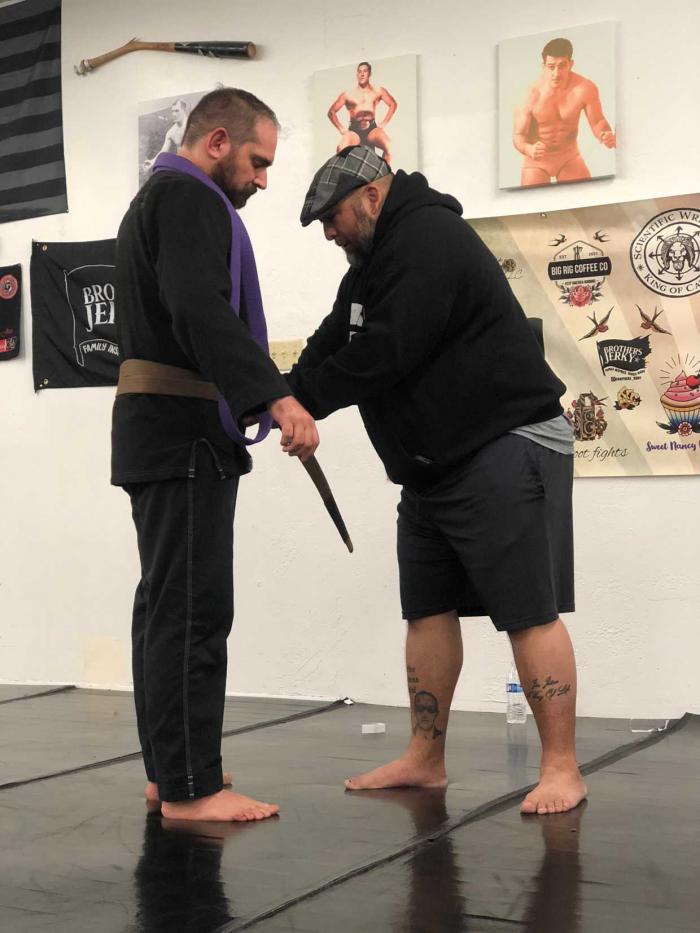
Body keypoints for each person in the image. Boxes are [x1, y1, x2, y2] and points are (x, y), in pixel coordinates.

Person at [287, 145, 586, 815]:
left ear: (371, 196)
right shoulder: (368, 267)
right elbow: (333, 340)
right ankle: (425, 759)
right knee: (425, 610)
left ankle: (562, 768)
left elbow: (387, 351)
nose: (328, 233)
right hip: (433, 469)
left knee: (527, 611)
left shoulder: (427, 238)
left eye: (332, 218)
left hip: (504, 445)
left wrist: (309, 402)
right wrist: (282, 397)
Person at [111, 88, 319, 823]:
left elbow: (188, 307)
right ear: (219, 141)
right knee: (193, 609)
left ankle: (170, 770)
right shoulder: (189, 199)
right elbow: (199, 308)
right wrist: (276, 398)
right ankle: (191, 787)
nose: (262, 179)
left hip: (160, 429)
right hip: (183, 431)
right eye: (259, 162)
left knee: (166, 604)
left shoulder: (155, 199)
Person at [513, 37, 616, 186]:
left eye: (562, 66)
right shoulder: (530, 94)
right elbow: (518, 135)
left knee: (585, 196)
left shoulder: (585, 88)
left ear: (571, 64)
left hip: (568, 158)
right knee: (532, 199)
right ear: (543, 66)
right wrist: (528, 149)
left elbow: (598, 122)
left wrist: (605, 134)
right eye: (551, 67)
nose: (556, 73)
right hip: (536, 163)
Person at [327, 61, 397, 163]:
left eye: (365, 71)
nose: (362, 74)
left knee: (390, 147)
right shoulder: (348, 94)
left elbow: (393, 104)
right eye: (360, 72)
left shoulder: (378, 91)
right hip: (354, 130)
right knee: (341, 149)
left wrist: (383, 123)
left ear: (370, 73)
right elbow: (331, 112)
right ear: (357, 74)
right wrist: (342, 130)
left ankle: (384, 172)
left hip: (372, 130)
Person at [143, 98, 190, 172]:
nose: (174, 114)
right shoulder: (171, 132)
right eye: (172, 111)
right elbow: (163, 151)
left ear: (184, 110)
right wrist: (152, 162)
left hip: (196, 166)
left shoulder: (192, 125)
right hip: (182, 167)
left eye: (177, 111)